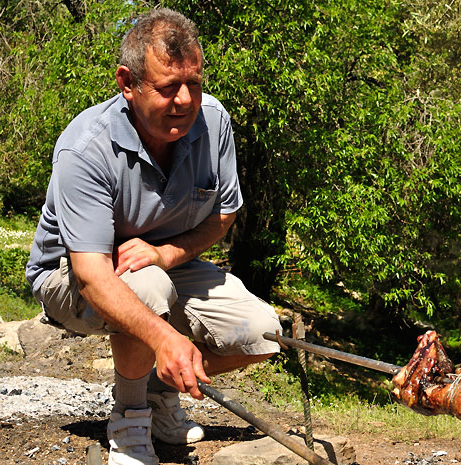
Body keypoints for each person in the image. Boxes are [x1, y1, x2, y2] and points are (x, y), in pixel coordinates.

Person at [26, 8, 282, 465]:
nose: (185, 100)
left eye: (195, 84)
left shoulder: (214, 123)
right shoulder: (86, 147)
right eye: (167, 88)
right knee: (146, 289)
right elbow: (90, 276)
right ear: (128, 83)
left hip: (169, 264)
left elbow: (224, 215)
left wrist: (166, 253)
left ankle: (157, 391)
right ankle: (129, 422)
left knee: (262, 335)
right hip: (72, 276)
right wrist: (165, 338)